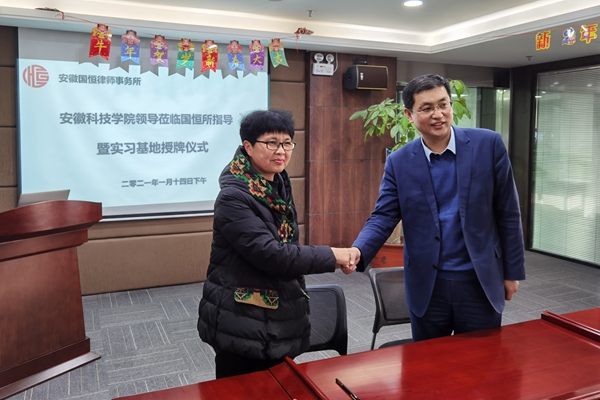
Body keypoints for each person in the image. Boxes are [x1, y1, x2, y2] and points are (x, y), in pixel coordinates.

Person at [350, 74, 525, 342]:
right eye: (427, 108)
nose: (438, 114)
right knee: (429, 363)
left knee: (481, 361)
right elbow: (383, 216)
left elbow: (508, 213)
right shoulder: (399, 162)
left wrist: (512, 273)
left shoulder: (488, 145)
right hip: (428, 286)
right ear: (409, 115)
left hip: (479, 281)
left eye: (443, 104)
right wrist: (358, 251)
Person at [198, 109, 356, 379]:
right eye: (271, 143)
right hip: (242, 319)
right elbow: (272, 254)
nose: (281, 151)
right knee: (243, 391)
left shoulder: (276, 183)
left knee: (280, 387)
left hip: (275, 312)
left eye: (287, 143)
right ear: (248, 146)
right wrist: (333, 255)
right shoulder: (234, 196)